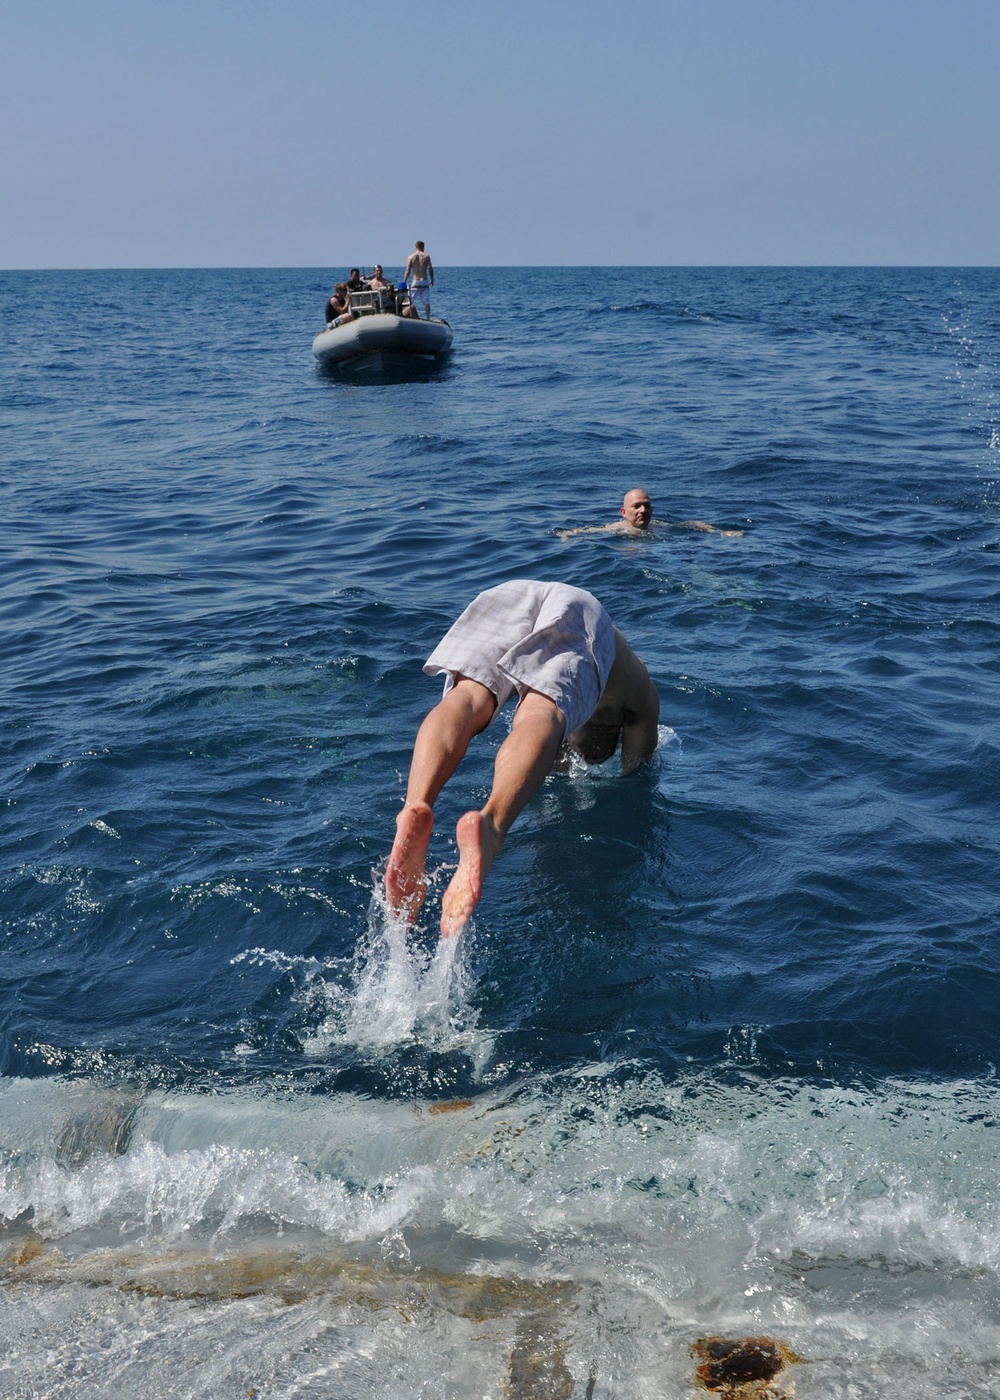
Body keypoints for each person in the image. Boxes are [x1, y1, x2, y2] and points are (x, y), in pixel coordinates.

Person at [384, 580, 660, 936]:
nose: (583, 756)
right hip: (581, 611)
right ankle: (491, 828)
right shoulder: (642, 703)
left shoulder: (612, 681)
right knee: (540, 711)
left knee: (467, 697)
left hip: (514, 592)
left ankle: (415, 805)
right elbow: (637, 779)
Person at [557, 488, 743, 539]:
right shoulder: (616, 529)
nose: (642, 510)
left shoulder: (659, 525)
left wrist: (720, 532)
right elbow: (590, 531)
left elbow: (691, 525)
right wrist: (567, 534)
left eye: (646, 506)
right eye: (636, 506)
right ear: (623, 512)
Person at [403, 240, 434, 319]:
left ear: (416, 247)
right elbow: (430, 268)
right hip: (424, 281)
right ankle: (428, 318)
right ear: (422, 246)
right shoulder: (426, 256)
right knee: (426, 301)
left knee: (409, 300)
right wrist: (432, 280)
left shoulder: (411, 257)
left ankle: (407, 316)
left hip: (416, 281)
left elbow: (408, 270)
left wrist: (404, 281)